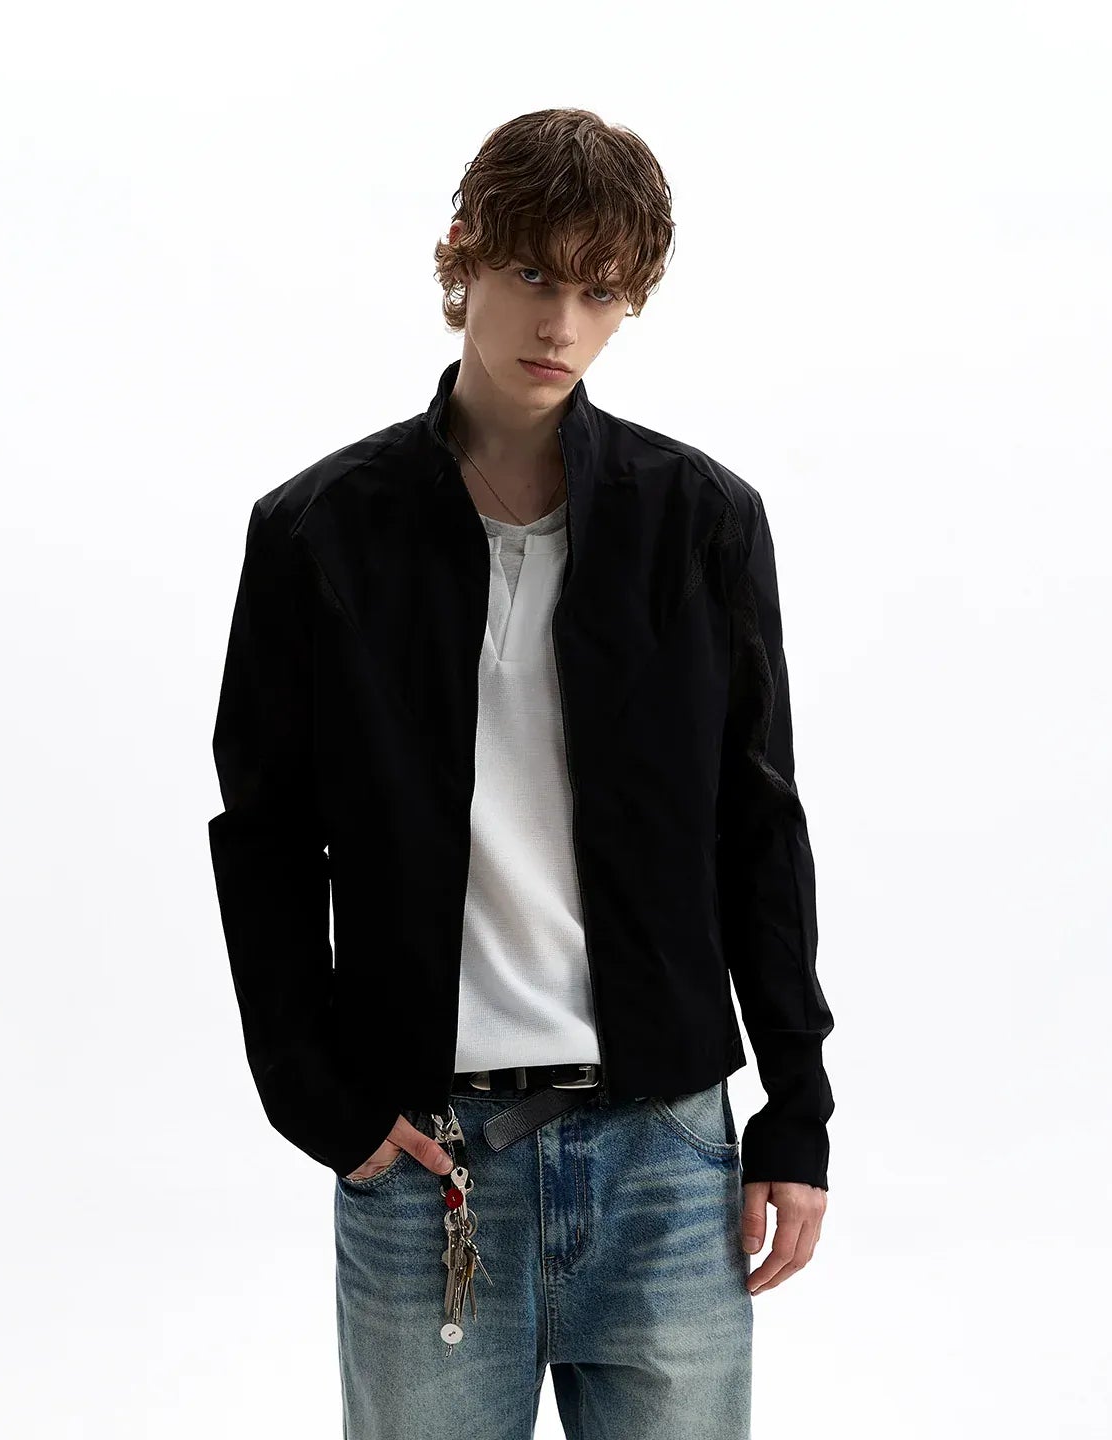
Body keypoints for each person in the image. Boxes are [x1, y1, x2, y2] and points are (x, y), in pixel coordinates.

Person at [207, 106, 834, 1439]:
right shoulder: (319, 534)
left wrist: (797, 1108)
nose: (560, 322)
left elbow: (758, 828)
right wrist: (315, 1099)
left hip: (667, 1151)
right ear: (463, 255)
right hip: (424, 1157)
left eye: (601, 291)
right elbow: (263, 838)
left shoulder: (702, 523)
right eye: (535, 273)